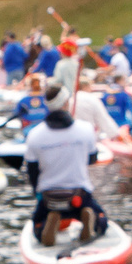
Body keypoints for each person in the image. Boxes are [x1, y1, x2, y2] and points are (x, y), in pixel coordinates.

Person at [24, 92, 107, 247]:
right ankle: (90, 220)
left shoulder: (35, 134)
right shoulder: (86, 129)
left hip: (49, 197)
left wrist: (37, 193)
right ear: (66, 103)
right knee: (103, 223)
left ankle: (47, 224)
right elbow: (92, 159)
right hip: (79, 195)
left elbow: (32, 172)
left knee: (36, 229)